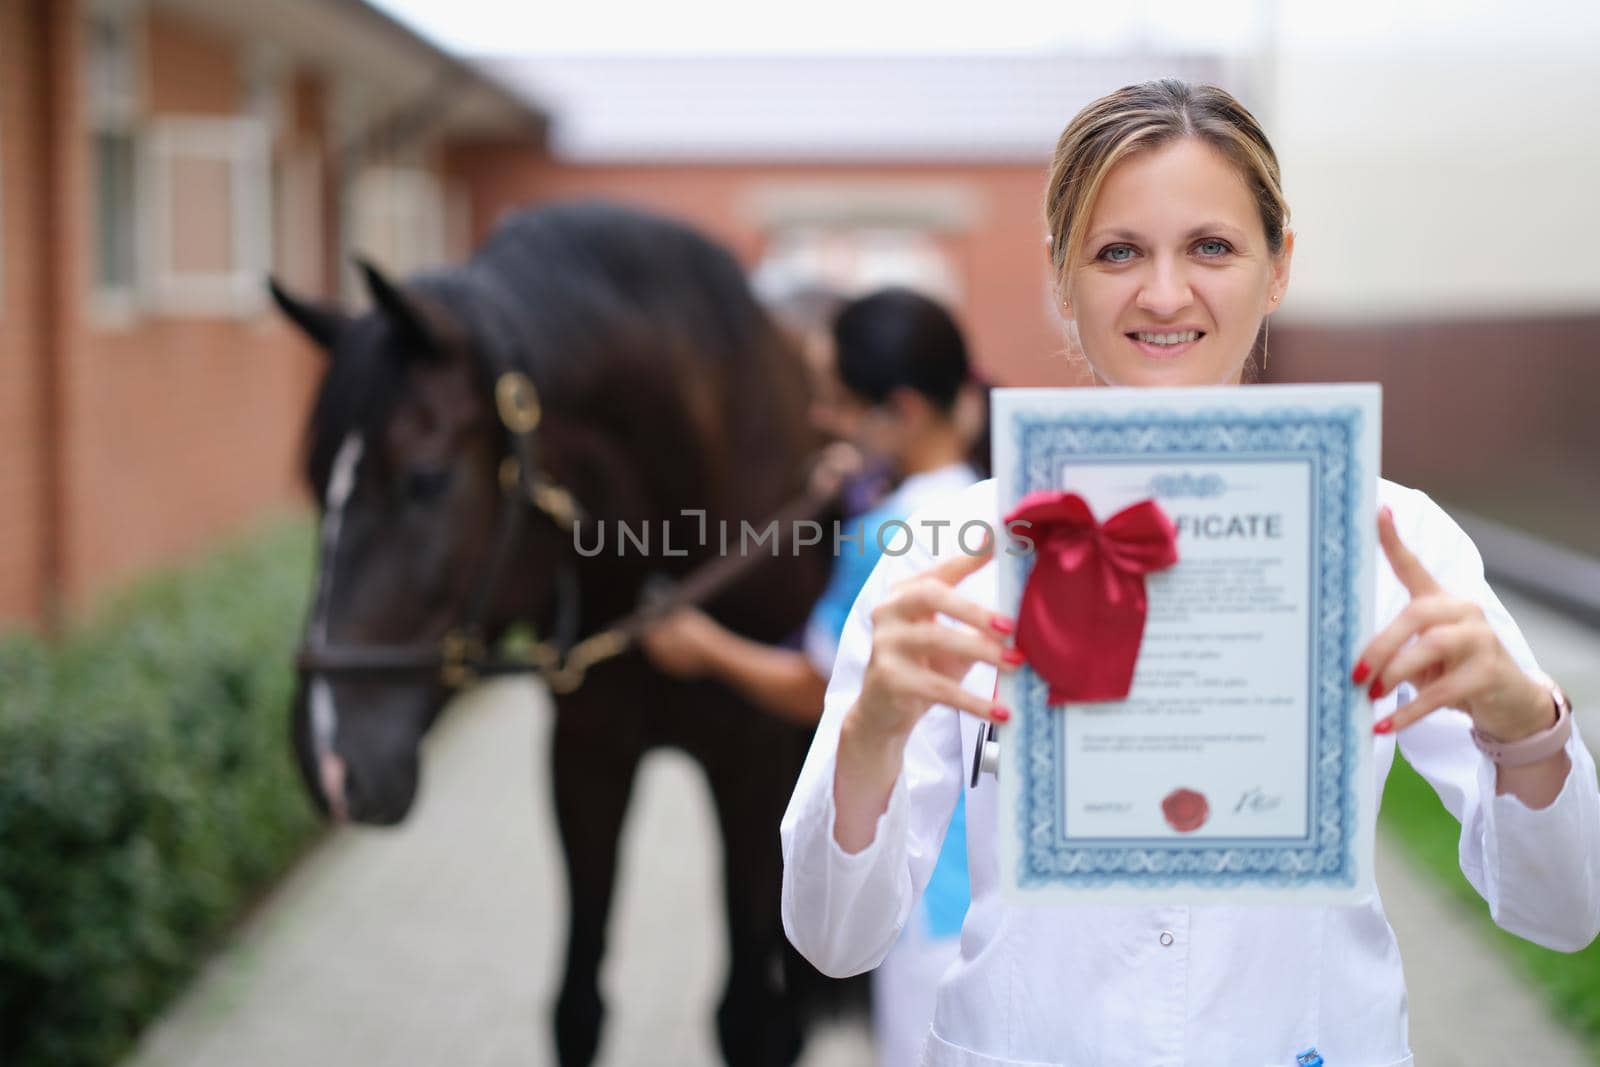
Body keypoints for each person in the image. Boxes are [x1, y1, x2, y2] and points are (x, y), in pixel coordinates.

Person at [779, 79, 1600, 1067]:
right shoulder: (950, 554)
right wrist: (869, 732)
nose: (1163, 294)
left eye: (1210, 246)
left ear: (1278, 265)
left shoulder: (1390, 539)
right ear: (1059, 278)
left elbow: (1567, 910)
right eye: (1117, 250)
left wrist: (1526, 728)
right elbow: (833, 937)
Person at [642, 288, 985, 1065]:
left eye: (835, 402)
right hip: (991, 884)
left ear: (898, 410)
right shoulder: (981, 506)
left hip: (923, 896)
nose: (822, 420)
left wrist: (703, 646)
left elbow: (815, 686)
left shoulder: (886, 535)